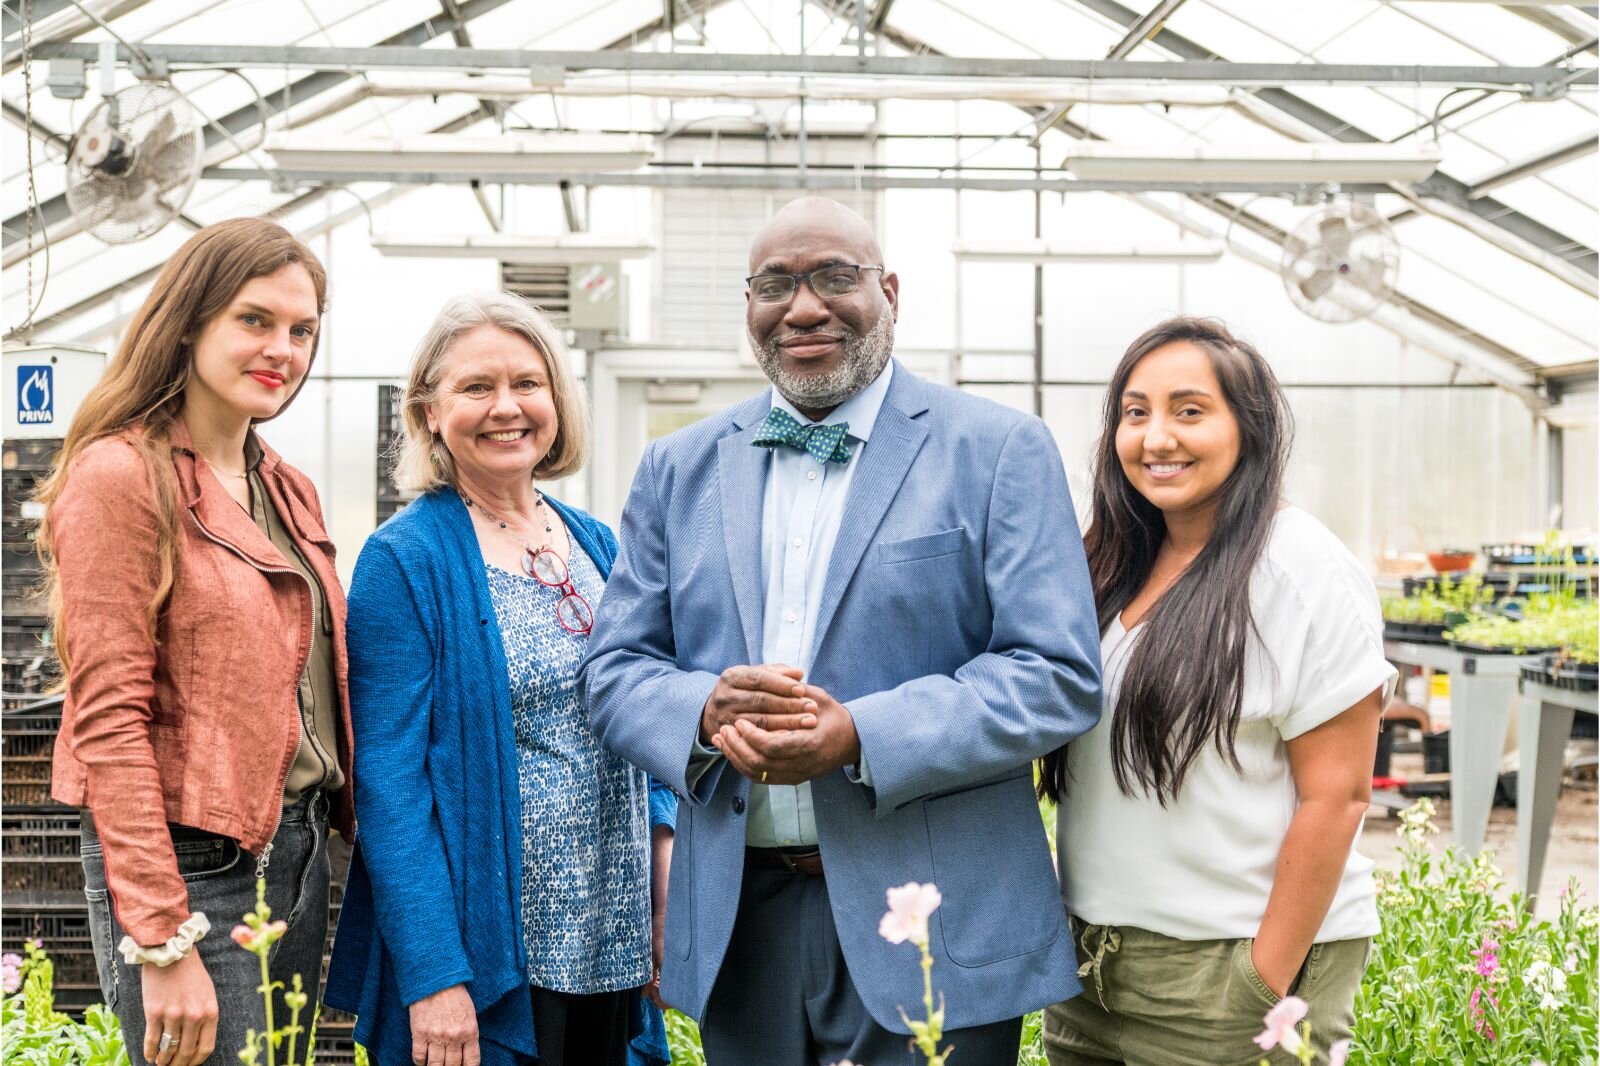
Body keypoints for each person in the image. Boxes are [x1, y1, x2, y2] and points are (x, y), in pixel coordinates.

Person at [579, 197, 1103, 1066]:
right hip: (742, 923)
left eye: (833, 277)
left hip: (936, 916)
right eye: (775, 285)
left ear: (889, 292)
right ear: (750, 308)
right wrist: (703, 708)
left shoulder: (998, 450)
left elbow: (1056, 673)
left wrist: (861, 732)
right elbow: (614, 669)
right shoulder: (681, 466)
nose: (805, 306)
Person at [324, 292, 675, 1066]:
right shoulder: (405, 560)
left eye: (528, 383)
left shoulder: (598, 543)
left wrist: (664, 892)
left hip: (611, 940)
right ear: (428, 413)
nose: (506, 407)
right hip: (496, 957)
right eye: (476, 388)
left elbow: (642, 724)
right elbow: (390, 788)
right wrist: (435, 978)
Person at [38, 217, 352, 1066]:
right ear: (188, 321)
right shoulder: (121, 477)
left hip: (295, 848)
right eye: (255, 320)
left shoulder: (285, 486)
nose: (282, 348)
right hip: (188, 861)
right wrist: (162, 937)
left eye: (302, 330)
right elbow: (107, 719)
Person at [1038, 317, 1394, 1065]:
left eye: (1189, 410)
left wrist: (1260, 981)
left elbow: (1339, 796)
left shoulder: (1300, 568)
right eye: (1136, 413)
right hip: (1090, 971)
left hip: (1229, 968)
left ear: (1250, 429)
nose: (1156, 437)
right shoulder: (1107, 558)